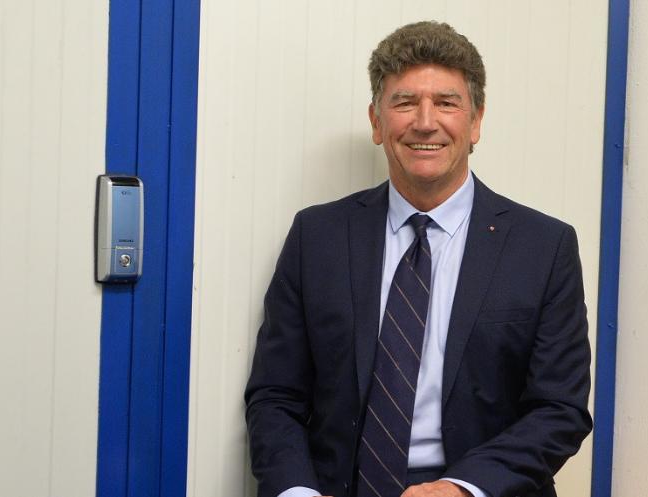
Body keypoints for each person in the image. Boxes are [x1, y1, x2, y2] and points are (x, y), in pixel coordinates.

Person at [244, 21, 592, 497]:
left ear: (476, 122)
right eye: (405, 102)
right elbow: (275, 395)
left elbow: (559, 408)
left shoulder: (543, 247)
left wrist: (463, 488)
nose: (425, 122)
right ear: (376, 121)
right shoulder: (317, 237)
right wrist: (297, 491)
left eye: (446, 103)